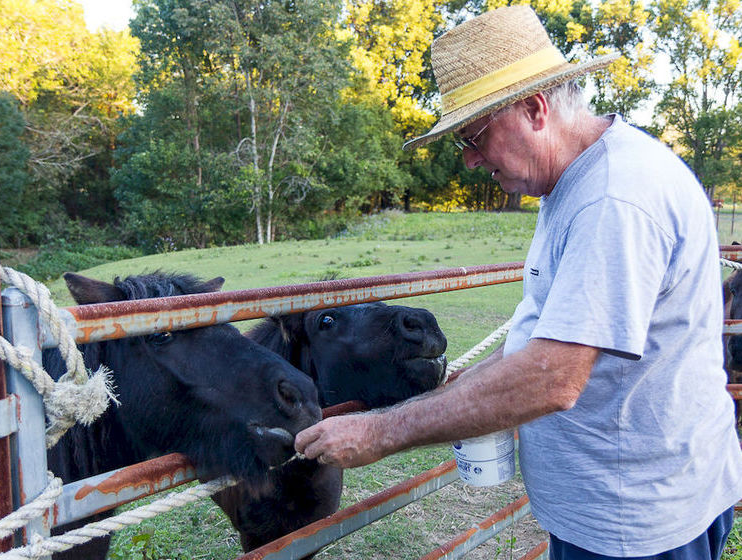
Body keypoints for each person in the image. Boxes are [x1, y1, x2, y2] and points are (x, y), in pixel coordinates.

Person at [295, 5, 742, 559]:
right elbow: (544, 337)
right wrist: (461, 388)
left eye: (475, 136)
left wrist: (376, 433)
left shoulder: (614, 198)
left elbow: (551, 378)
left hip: (636, 521)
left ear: (534, 109)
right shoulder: (576, 184)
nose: (469, 161)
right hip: (624, 501)